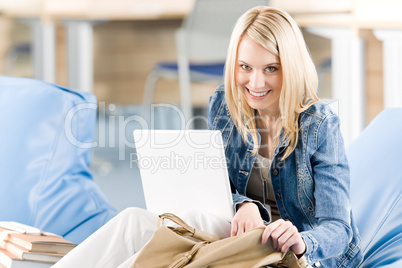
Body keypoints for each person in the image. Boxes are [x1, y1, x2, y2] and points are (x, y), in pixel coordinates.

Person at [54, 6, 363, 268]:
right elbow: (216, 187)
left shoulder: (320, 124)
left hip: (296, 257)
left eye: (271, 68)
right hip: (238, 238)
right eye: (245, 67)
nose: (255, 82)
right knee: (135, 219)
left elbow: (339, 229)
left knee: (192, 218)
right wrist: (244, 205)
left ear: (291, 68)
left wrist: (300, 241)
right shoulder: (226, 106)